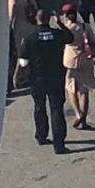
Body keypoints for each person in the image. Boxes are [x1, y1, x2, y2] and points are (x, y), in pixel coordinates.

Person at [17, 9, 74, 154]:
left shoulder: (30, 39)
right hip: (56, 77)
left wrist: (19, 75)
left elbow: (23, 61)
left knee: (39, 106)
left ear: (36, 19)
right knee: (57, 110)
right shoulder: (57, 34)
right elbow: (70, 38)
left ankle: (41, 135)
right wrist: (60, 23)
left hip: (37, 78)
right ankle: (59, 144)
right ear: (49, 19)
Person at [60, 2, 95, 130]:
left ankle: (78, 113)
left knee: (70, 88)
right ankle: (83, 119)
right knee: (84, 91)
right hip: (86, 60)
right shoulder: (85, 27)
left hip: (70, 61)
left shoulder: (66, 29)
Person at [7, 0, 37, 90]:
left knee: (21, 53)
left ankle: (20, 77)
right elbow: (35, 8)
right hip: (30, 26)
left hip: (19, 28)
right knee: (31, 51)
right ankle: (31, 74)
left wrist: (8, 28)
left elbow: (11, 16)